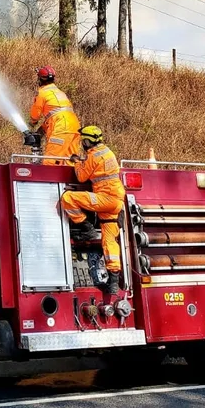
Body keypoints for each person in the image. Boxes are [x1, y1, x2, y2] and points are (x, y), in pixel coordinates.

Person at [60, 125, 126, 295]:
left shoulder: (92, 156)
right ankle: (113, 280)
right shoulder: (107, 152)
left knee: (68, 198)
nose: (83, 143)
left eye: (84, 141)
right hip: (116, 201)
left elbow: (81, 176)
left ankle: (86, 228)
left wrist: (76, 163)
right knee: (109, 241)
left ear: (88, 141)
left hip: (104, 199)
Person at [28, 66, 81, 166]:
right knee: (70, 162)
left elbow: (35, 114)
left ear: (40, 79)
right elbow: (55, 114)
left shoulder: (42, 93)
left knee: (50, 162)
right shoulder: (60, 92)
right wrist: (43, 128)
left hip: (61, 128)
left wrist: (31, 123)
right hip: (74, 126)